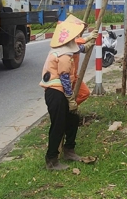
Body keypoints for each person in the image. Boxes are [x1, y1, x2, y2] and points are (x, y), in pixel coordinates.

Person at [39, 14, 91, 170]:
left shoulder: (66, 48)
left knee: (73, 120)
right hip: (56, 93)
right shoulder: (63, 55)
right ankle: (51, 159)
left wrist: (90, 40)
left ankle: (69, 150)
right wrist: (70, 99)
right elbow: (65, 79)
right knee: (58, 125)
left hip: (60, 92)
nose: (77, 37)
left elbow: (80, 47)